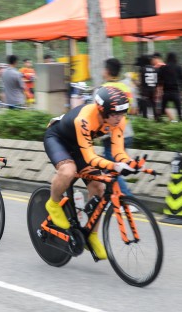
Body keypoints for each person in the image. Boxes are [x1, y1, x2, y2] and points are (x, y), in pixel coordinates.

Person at [43, 86, 139, 260]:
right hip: (57, 139)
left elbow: (118, 152)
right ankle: (53, 203)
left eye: (123, 113)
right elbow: (90, 156)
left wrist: (129, 163)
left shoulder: (118, 121)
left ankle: (91, 235)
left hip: (79, 146)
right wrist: (114, 165)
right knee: (68, 171)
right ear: (103, 111)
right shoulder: (85, 119)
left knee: (99, 187)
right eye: (115, 114)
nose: (119, 118)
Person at [100, 58, 137, 206]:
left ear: (107, 71)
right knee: (111, 168)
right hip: (127, 133)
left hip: (111, 136)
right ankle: (113, 198)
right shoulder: (126, 87)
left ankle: (126, 200)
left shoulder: (103, 89)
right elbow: (133, 110)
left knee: (112, 169)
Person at [157, 52, 182, 122]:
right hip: (176, 92)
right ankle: (181, 121)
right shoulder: (179, 67)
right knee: (179, 111)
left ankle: (160, 122)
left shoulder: (163, 68)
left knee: (162, 110)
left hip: (166, 92)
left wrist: (159, 93)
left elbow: (159, 81)